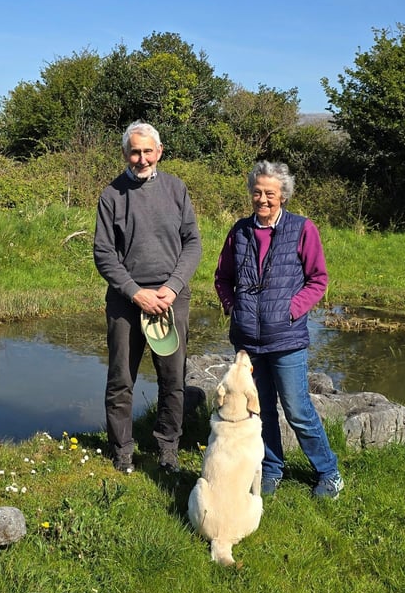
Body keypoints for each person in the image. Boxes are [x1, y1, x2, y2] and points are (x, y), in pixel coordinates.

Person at [213, 161, 343, 499]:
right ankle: (271, 468)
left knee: (298, 409)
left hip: (286, 339)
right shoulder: (239, 232)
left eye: (270, 193)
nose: (262, 199)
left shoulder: (302, 229)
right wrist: (233, 307)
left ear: (283, 195)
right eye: (257, 192)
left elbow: (318, 279)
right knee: (262, 409)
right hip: (248, 342)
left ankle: (329, 472)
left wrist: (292, 309)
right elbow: (222, 278)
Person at [93, 121, 202, 475]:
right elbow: (104, 253)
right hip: (127, 299)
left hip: (172, 298)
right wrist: (136, 293)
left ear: (160, 151)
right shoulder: (111, 195)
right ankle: (122, 449)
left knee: (172, 379)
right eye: (135, 151)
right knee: (121, 378)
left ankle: (167, 448)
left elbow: (192, 244)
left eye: (147, 151)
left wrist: (171, 287)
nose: (141, 158)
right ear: (126, 153)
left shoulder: (176, 189)